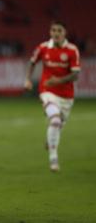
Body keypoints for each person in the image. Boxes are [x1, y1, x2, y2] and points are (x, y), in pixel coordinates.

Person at [24, 21, 80, 172]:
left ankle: (50, 141)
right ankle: (53, 159)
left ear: (64, 33)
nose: (56, 33)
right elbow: (32, 62)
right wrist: (28, 79)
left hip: (67, 97)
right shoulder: (43, 48)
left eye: (59, 31)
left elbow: (76, 74)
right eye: (53, 30)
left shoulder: (72, 50)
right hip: (47, 91)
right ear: (50, 32)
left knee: (57, 126)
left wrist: (59, 80)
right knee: (55, 120)